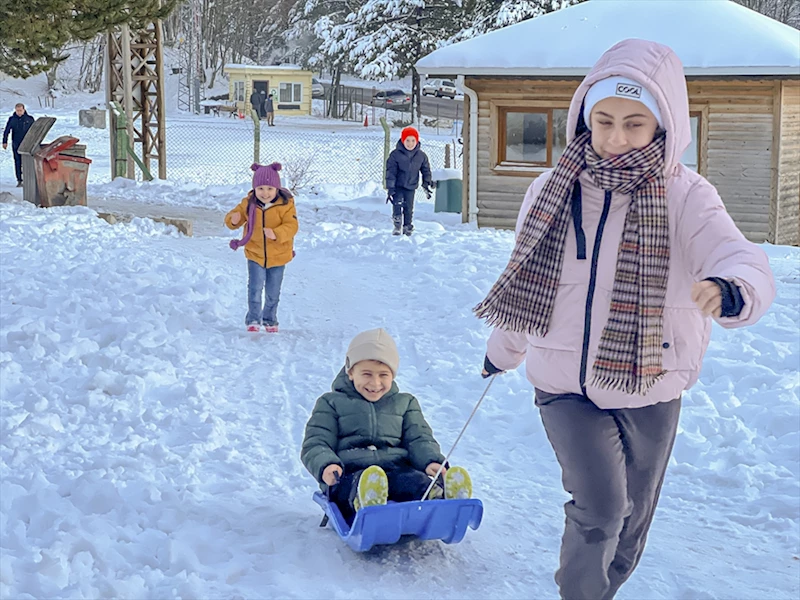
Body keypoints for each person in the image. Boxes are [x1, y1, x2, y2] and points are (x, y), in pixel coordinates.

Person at [475, 39, 775, 600]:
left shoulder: (687, 197)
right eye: (604, 120)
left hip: (652, 382)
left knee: (632, 520)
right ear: (585, 114)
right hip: (563, 385)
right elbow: (528, 285)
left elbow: (741, 257)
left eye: (634, 124)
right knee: (602, 508)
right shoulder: (550, 192)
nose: (614, 138)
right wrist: (503, 349)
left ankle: (600, 590)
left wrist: (734, 290)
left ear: (663, 126)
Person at [301, 328, 473, 523]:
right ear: (350, 372)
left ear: (393, 375)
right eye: (366, 373)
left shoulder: (405, 403)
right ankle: (365, 501)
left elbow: (419, 438)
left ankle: (442, 498)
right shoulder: (331, 403)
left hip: (395, 469)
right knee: (353, 486)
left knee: (415, 482)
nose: (375, 383)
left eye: (383, 375)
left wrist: (431, 461)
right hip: (349, 473)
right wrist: (327, 465)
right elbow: (316, 443)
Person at [225, 162, 298, 333]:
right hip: (255, 253)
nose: (265, 193)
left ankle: (270, 319)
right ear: (255, 189)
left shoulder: (286, 205)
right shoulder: (249, 203)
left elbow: (292, 226)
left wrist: (277, 234)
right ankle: (253, 319)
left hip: (279, 255)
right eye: (261, 189)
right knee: (255, 289)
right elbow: (233, 218)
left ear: (277, 189)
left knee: (273, 292)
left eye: (269, 189)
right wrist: (233, 220)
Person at [385, 126, 432, 236]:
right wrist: (390, 188)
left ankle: (407, 226)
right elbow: (390, 172)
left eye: (413, 141)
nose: (410, 143)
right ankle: (397, 224)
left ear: (416, 141)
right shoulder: (395, 155)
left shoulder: (421, 156)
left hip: (411, 186)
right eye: (407, 140)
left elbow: (426, 170)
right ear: (402, 140)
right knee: (398, 204)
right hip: (398, 186)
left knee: (409, 207)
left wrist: (426, 183)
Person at [3, 103, 34, 187]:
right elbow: (7, 130)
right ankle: (19, 180)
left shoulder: (29, 119)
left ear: (24, 110)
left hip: (27, 143)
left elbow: (34, 131)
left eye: (20, 110)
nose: (19, 112)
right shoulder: (12, 119)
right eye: (17, 111)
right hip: (16, 143)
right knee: (17, 161)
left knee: (28, 162)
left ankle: (28, 179)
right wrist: (4, 141)